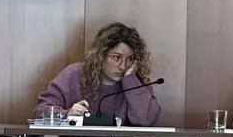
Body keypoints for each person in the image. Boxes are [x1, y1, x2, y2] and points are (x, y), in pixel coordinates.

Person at [34, 22, 162, 127]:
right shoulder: (74, 74)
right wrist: (67, 114)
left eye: (130, 59)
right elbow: (40, 112)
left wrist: (130, 80)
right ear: (100, 56)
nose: (123, 66)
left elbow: (147, 120)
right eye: (117, 57)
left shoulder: (135, 81)